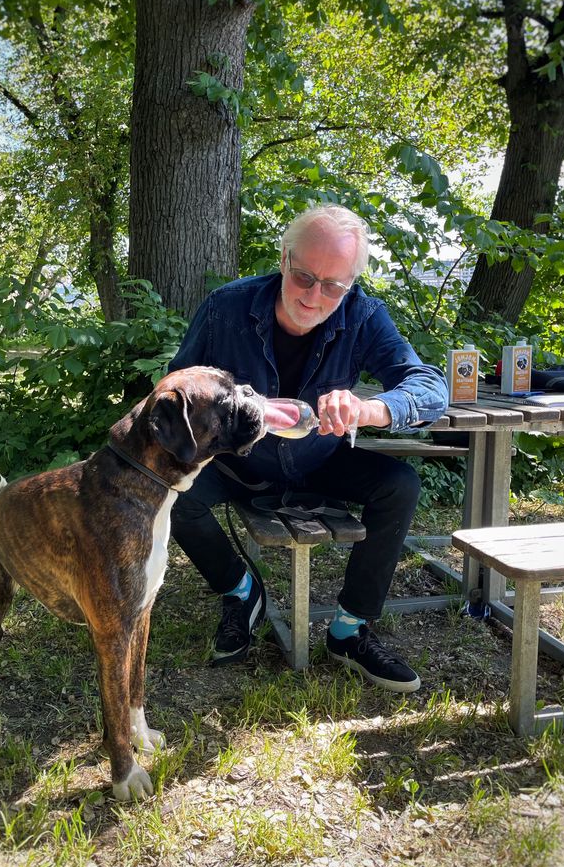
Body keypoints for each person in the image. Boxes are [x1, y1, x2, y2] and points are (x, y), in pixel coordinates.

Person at [168, 204, 448, 692]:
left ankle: (350, 629)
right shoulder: (225, 309)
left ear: (351, 285)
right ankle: (240, 590)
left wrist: (369, 409)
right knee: (173, 493)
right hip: (240, 460)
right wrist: (230, 409)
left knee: (399, 485)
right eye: (303, 277)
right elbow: (175, 382)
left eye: (333, 285)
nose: (315, 296)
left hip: (320, 458)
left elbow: (427, 385)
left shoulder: (364, 315)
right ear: (283, 259)